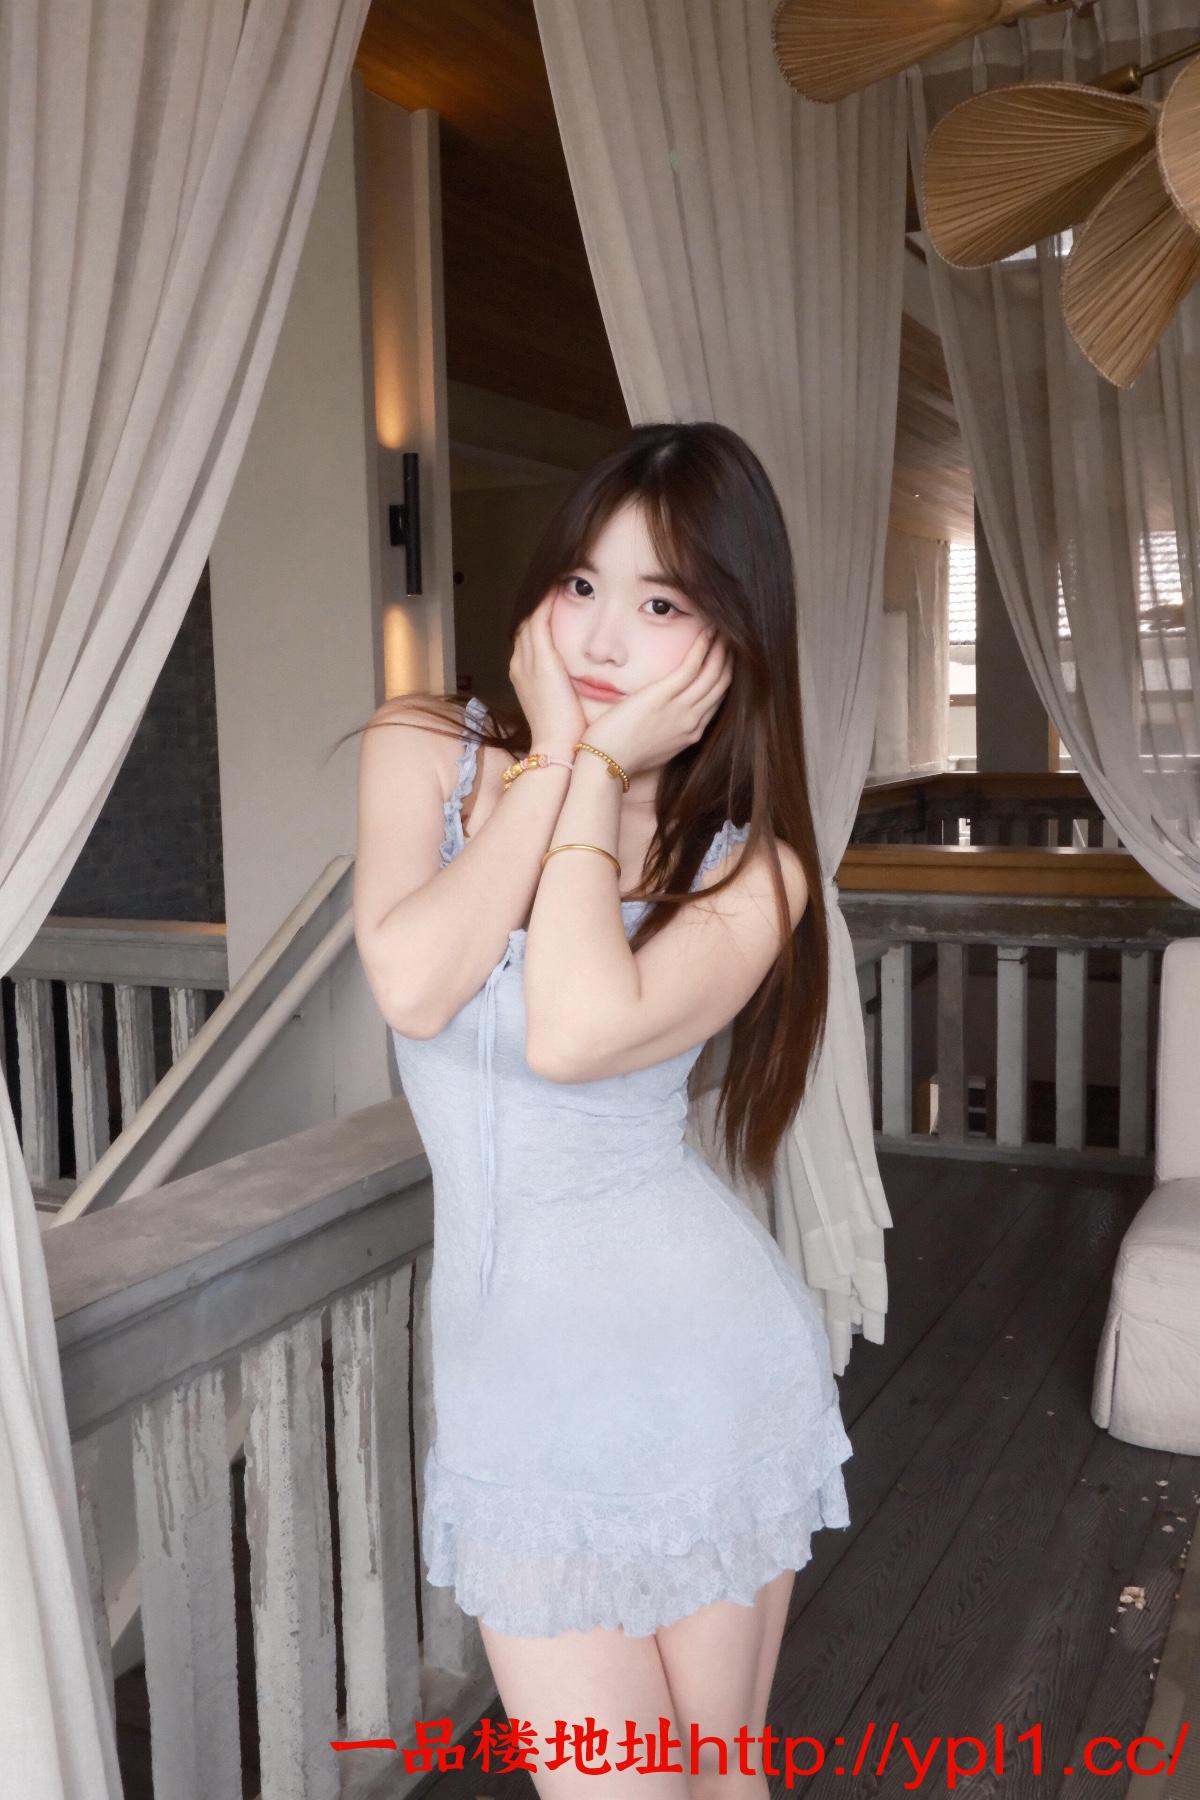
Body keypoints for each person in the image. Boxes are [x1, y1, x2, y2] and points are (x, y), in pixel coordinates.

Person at [352, 421, 853, 1797]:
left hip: (705, 1376)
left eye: (662, 603)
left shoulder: (753, 872)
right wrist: (558, 764)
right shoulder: (424, 751)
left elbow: (574, 1030)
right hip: (518, 1399)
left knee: (719, 1780)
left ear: (732, 638)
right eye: (582, 584)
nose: (603, 636)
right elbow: (415, 981)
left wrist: (600, 773)